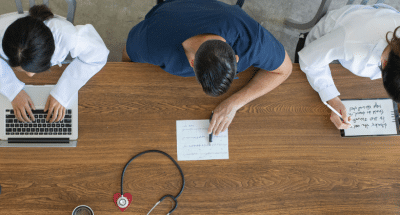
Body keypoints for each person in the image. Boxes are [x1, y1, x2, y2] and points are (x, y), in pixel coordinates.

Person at [123, 0, 292, 136]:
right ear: (191, 64)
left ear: (236, 57)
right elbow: (127, 55)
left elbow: (284, 70)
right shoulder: (153, 41)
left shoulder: (250, 38)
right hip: (173, 8)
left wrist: (233, 104)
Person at [299, 3, 400, 131]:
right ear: (383, 65)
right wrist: (333, 100)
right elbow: (308, 60)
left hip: (373, 14)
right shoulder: (352, 43)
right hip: (328, 37)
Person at [0, 5, 109, 123]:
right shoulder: (4, 37)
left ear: (50, 52)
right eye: (21, 70)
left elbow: (98, 56)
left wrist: (62, 93)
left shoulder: (70, 37)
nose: (30, 75)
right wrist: (12, 90)